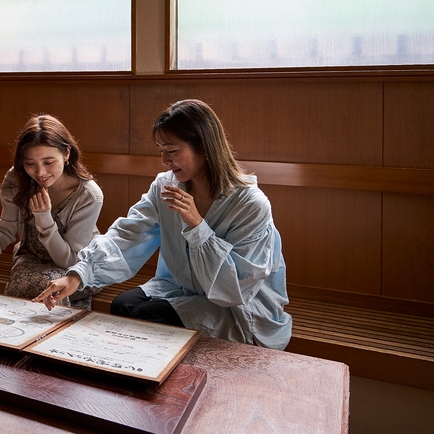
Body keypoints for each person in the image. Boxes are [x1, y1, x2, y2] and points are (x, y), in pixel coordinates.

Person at [33, 99, 292, 350]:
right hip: (182, 287)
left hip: (237, 306)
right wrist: (77, 275)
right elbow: (128, 234)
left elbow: (237, 287)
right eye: (161, 151)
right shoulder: (166, 186)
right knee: (122, 305)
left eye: (172, 151)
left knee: (148, 316)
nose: (165, 160)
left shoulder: (250, 204)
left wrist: (197, 225)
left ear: (203, 147)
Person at [0, 114, 104, 309]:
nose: (40, 172)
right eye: (30, 163)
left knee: (44, 285)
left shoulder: (89, 195)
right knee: (28, 280)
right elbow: (5, 232)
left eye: (48, 162)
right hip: (30, 260)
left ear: (67, 153)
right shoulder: (16, 179)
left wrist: (44, 219)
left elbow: (69, 260)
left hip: (78, 269)